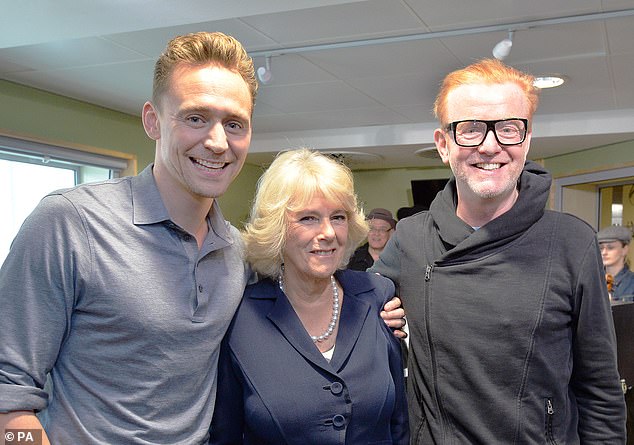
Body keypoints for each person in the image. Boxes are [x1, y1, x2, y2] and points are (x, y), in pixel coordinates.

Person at [0, 32, 404, 444]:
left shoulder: (236, 254)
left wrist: (378, 312)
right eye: (195, 118)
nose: (216, 142)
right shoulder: (70, 223)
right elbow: (8, 392)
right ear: (152, 120)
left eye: (234, 124)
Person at [369, 58, 626, 443]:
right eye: (470, 129)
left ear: (527, 140)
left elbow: (600, 388)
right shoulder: (410, 237)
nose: (490, 146)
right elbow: (353, 307)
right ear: (443, 144)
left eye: (508, 128)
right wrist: (382, 317)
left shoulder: (572, 241)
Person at [209, 148, 408, 444]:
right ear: (277, 230)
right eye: (308, 218)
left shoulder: (377, 297)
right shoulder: (241, 317)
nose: (327, 232)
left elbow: (398, 424)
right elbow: (226, 433)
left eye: (338, 217)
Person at [598, 225, 634, 302]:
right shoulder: (592, 280)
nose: (604, 252)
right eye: (601, 248)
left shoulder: (632, 284)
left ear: (624, 249)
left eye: (610, 247)